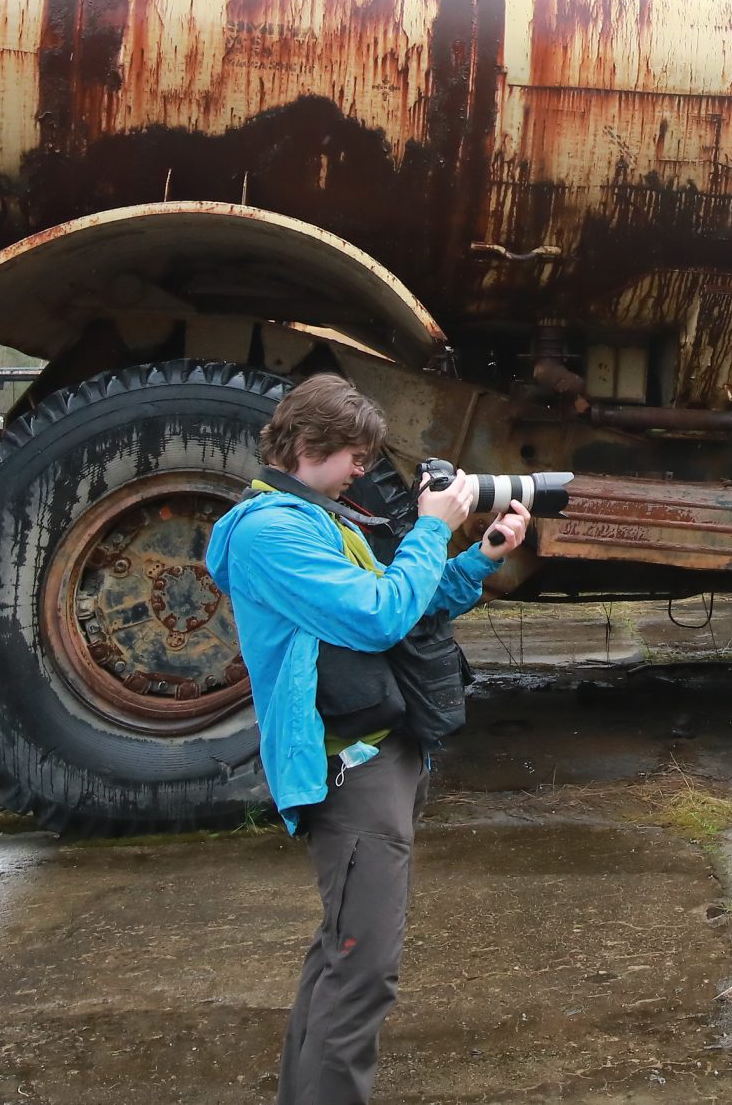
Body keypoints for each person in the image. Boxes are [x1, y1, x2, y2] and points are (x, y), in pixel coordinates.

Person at [206, 374, 528, 1105]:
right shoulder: (270, 532)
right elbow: (378, 615)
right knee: (362, 971)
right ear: (312, 443)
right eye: (356, 454)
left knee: (340, 959)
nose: (362, 469)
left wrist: (480, 555)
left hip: (380, 756)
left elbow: (408, 608)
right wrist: (430, 525)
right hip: (347, 773)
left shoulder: (324, 521)